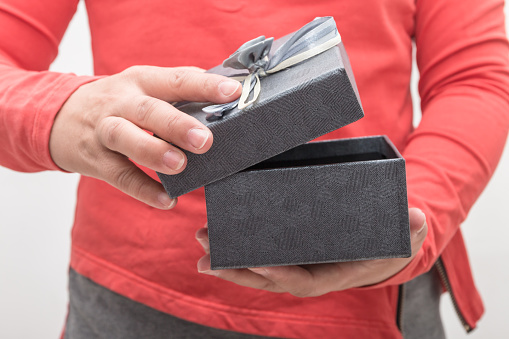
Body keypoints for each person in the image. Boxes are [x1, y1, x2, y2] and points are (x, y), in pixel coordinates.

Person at [1, 0, 508, 338]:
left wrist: (402, 218)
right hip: (135, 300)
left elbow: (477, 78)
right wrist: (58, 111)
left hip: (373, 304)